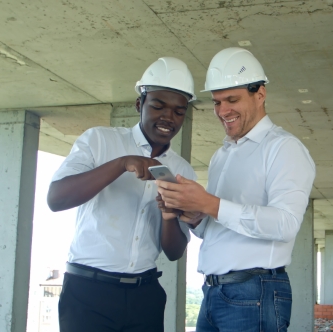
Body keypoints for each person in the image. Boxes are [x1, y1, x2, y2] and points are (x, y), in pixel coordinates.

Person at [156, 47, 316, 332]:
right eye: (217, 102)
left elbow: (286, 224)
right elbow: (215, 229)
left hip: (254, 292)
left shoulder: (283, 148)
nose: (223, 111)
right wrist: (193, 214)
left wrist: (211, 204)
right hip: (214, 292)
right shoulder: (223, 155)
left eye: (232, 100)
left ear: (260, 94)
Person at [47, 57, 197, 332]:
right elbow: (56, 199)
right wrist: (120, 164)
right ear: (140, 104)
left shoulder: (182, 170)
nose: (168, 118)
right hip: (87, 295)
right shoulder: (99, 140)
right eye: (158, 106)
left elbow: (174, 252)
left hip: (145, 296)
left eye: (178, 111)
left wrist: (168, 215)